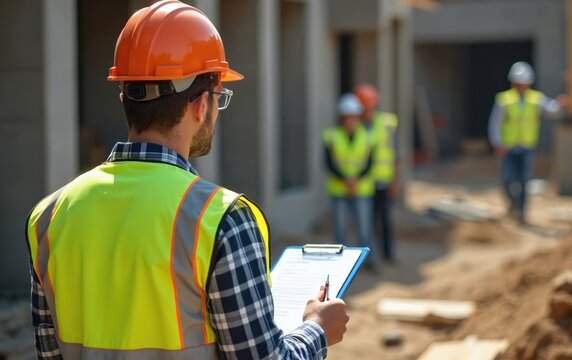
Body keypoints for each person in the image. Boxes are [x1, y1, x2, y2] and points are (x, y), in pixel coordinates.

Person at [25, 2, 348, 359]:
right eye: (219, 98)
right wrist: (317, 329)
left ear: (124, 99)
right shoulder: (222, 219)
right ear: (200, 105)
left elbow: (49, 352)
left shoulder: (49, 216)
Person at [488, 61, 566, 224]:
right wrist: (497, 144)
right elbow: (494, 123)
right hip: (508, 148)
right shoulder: (504, 99)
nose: (521, 86)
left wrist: (561, 104)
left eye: (524, 83)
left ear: (529, 83)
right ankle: (512, 203)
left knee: (524, 181)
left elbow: (552, 109)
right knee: (507, 179)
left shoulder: (535, 99)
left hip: (527, 147)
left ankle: (522, 213)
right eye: (519, 83)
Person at [323, 94, 375, 264]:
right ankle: (340, 263)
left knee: (365, 228)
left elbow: (369, 163)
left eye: (353, 117)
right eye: (347, 117)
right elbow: (328, 163)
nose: (351, 121)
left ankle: (367, 261)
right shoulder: (331, 136)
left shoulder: (367, 136)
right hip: (339, 189)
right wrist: (346, 180)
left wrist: (355, 180)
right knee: (340, 230)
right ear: (342, 118)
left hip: (362, 189)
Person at [353, 84, 399, 262]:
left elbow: (396, 154)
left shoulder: (387, 123)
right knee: (366, 222)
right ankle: (369, 257)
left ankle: (388, 253)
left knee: (384, 219)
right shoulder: (354, 126)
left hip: (383, 180)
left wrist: (395, 180)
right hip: (363, 182)